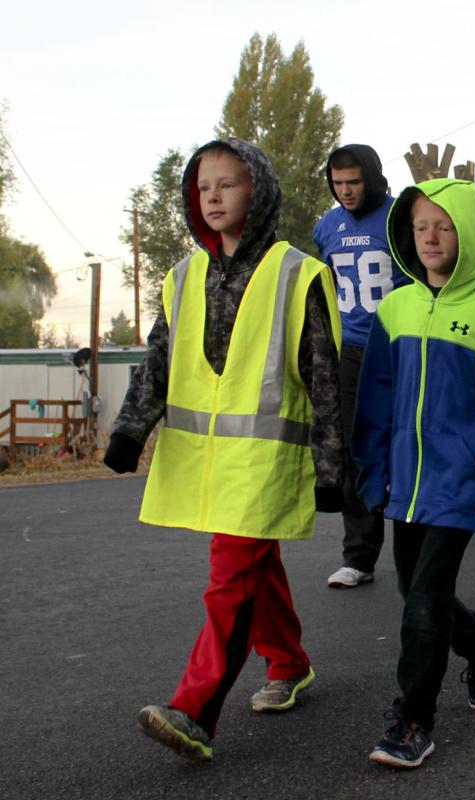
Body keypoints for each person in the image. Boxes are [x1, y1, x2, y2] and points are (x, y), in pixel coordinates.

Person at [103, 138, 344, 761]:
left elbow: (324, 378)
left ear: (257, 192)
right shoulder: (182, 277)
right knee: (250, 568)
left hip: (264, 462)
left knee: (230, 579)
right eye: (203, 185)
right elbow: (160, 359)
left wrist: (332, 465)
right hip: (207, 461)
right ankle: (288, 662)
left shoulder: (298, 272)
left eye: (228, 183)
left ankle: (194, 710)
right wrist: (131, 429)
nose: (213, 196)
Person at [353, 177, 475, 769]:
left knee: (421, 607)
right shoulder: (395, 309)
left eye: (444, 226)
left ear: (470, 235)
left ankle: (413, 722)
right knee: (419, 596)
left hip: (462, 483)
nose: (431, 237)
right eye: (420, 227)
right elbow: (375, 400)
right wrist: (370, 472)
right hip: (404, 482)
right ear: (407, 236)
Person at [313, 144, 406, 589]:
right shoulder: (326, 226)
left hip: (400, 347)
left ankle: (416, 546)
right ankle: (359, 557)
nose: (346, 191)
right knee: (355, 453)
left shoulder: (399, 216)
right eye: (338, 182)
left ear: (371, 177)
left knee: (405, 445)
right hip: (350, 351)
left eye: (354, 181)